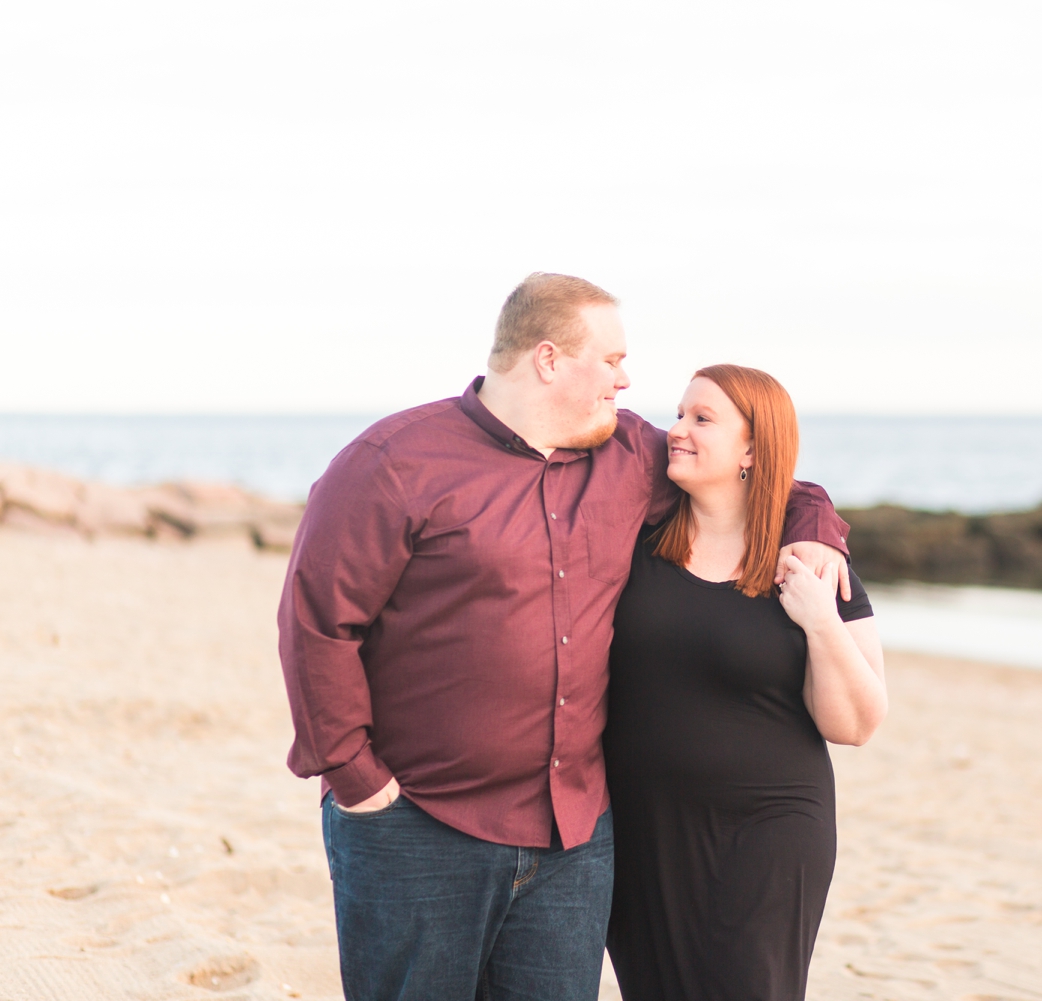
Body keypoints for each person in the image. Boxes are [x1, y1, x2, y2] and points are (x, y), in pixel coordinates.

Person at [277, 275, 853, 1001]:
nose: (626, 377)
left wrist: (817, 527)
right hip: (419, 823)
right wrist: (355, 778)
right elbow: (318, 621)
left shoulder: (631, 457)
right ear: (549, 360)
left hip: (573, 840)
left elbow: (756, 478)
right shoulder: (393, 462)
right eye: (611, 359)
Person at [604, 365, 887, 1001]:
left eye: (701, 419)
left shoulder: (809, 562)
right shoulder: (635, 544)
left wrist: (821, 622)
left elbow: (858, 724)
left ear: (753, 449)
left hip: (771, 824)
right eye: (678, 414)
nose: (675, 431)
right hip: (644, 832)